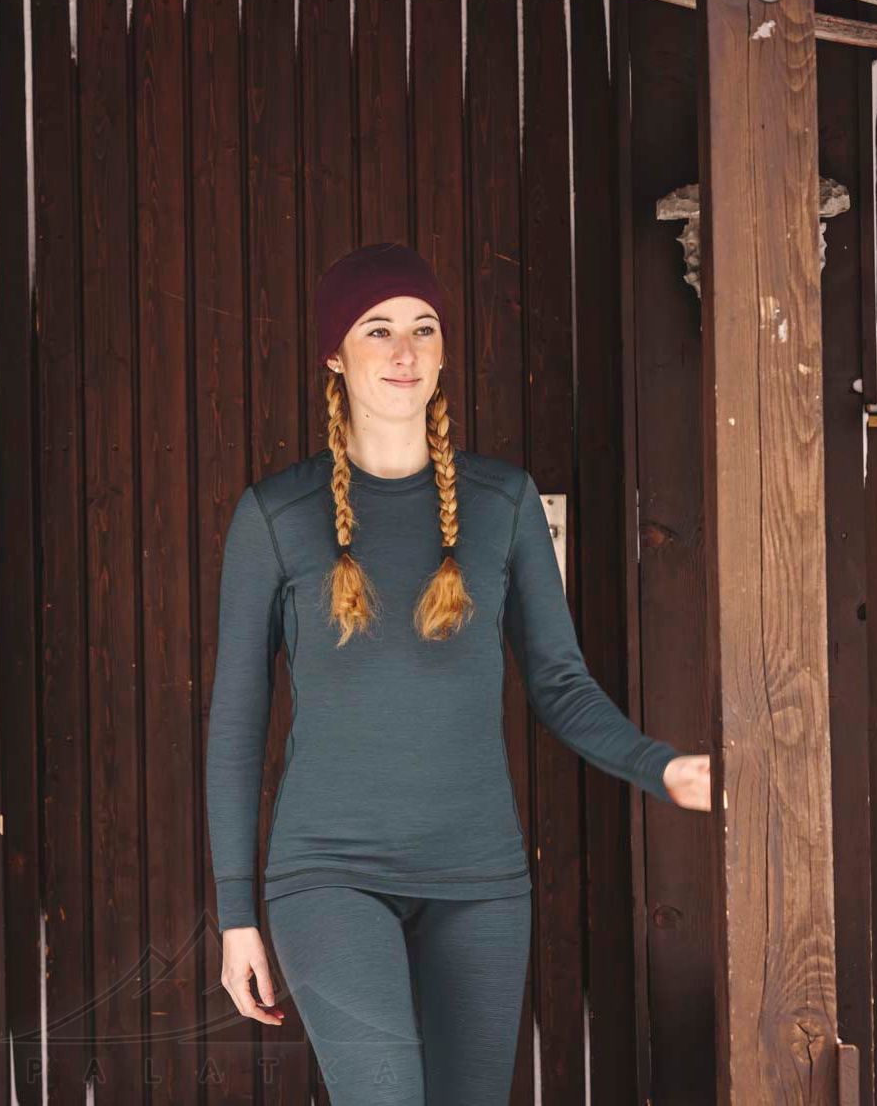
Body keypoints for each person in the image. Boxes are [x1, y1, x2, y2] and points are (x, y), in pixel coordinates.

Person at [204, 241, 712, 1104]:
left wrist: (659, 767)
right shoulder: (275, 515)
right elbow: (236, 720)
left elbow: (559, 684)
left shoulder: (501, 503)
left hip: (478, 882)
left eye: (423, 327)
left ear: (443, 350)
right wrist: (234, 913)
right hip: (329, 875)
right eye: (377, 329)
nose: (404, 350)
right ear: (335, 355)